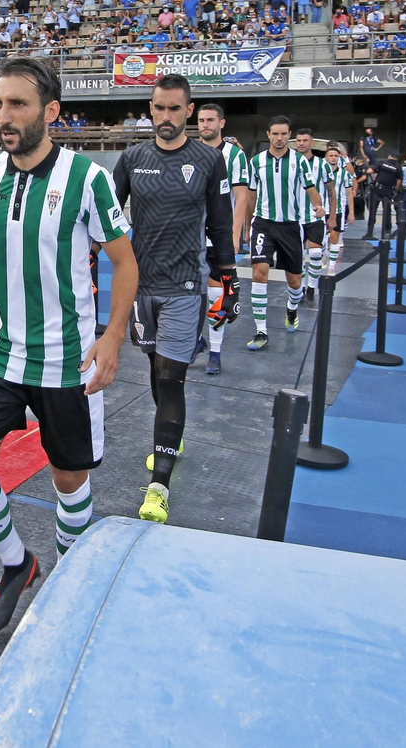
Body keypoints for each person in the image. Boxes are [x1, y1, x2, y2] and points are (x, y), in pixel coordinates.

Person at [0, 57, 137, 637]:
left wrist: (112, 336)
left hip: (66, 358)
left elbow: (125, 262)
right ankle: (17, 565)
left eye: (17, 105)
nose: (2, 116)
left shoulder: (87, 178)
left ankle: (68, 581)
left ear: (50, 112)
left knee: (68, 480)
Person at [113, 74, 235, 523]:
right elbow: (108, 219)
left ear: (189, 111)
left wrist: (229, 279)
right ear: (151, 108)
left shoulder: (208, 160)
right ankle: (172, 434)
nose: (165, 117)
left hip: (186, 286)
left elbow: (221, 225)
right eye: (158, 108)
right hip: (141, 288)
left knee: (170, 378)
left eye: (174, 109)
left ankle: (158, 487)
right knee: (155, 371)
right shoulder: (131, 158)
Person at [246, 116, 323, 348]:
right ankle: (261, 331)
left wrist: (318, 206)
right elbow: (250, 194)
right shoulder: (257, 161)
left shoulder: (300, 162)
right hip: (263, 224)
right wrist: (245, 225)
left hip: (290, 226)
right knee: (259, 273)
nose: (279, 138)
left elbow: (311, 189)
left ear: (289, 135)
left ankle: (291, 309)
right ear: (268, 135)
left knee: (295, 281)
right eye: (275, 134)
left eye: (283, 134)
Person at [193, 103, 252, 376]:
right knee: (189, 295)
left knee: (218, 295)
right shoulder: (190, 151)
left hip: (218, 236)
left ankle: (215, 353)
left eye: (210, 120)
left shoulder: (234, 154)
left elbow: (241, 197)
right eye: (201, 120)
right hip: (191, 236)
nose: (205, 124)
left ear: (221, 124)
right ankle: (196, 341)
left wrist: (235, 233)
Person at [293, 128, 328, 304]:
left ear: (311, 142)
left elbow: (331, 190)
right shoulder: (290, 162)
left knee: (314, 253)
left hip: (315, 217)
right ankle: (298, 289)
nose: (301, 143)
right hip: (294, 217)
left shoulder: (322, 165)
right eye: (298, 140)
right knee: (297, 256)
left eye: (305, 140)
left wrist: (333, 214)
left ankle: (312, 287)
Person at [321, 144, 355, 272]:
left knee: (334, 238)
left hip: (339, 209)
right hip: (322, 209)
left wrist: (351, 212)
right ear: (326, 158)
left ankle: (331, 267)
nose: (333, 158)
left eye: (336, 156)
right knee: (321, 239)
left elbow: (349, 194)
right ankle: (325, 254)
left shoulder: (345, 175)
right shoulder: (320, 172)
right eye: (331, 155)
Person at [364, 151, 402, 239]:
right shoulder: (398, 167)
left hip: (377, 189)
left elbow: (369, 171)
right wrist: (395, 191)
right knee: (387, 211)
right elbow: (399, 181)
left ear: (389, 156)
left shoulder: (382, 163)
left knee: (373, 211)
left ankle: (369, 232)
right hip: (388, 190)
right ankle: (387, 232)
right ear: (397, 158)